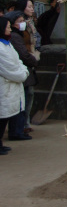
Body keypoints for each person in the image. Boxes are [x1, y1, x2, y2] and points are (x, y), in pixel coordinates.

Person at [5, 11, 38, 139]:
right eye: (19, 21)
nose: (23, 23)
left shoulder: (19, 35)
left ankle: (20, 128)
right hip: (21, 74)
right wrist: (34, 61)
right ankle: (18, 130)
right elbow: (22, 55)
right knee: (21, 104)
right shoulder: (14, 37)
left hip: (23, 72)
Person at [0, 16, 30, 155]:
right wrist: (23, 74)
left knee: (6, 116)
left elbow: (18, 62)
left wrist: (22, 70)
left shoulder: (7, 43)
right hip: (5, 87)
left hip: (11, 86)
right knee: (2, 116)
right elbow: (10, 69)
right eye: (7, 27)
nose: (9, 29)